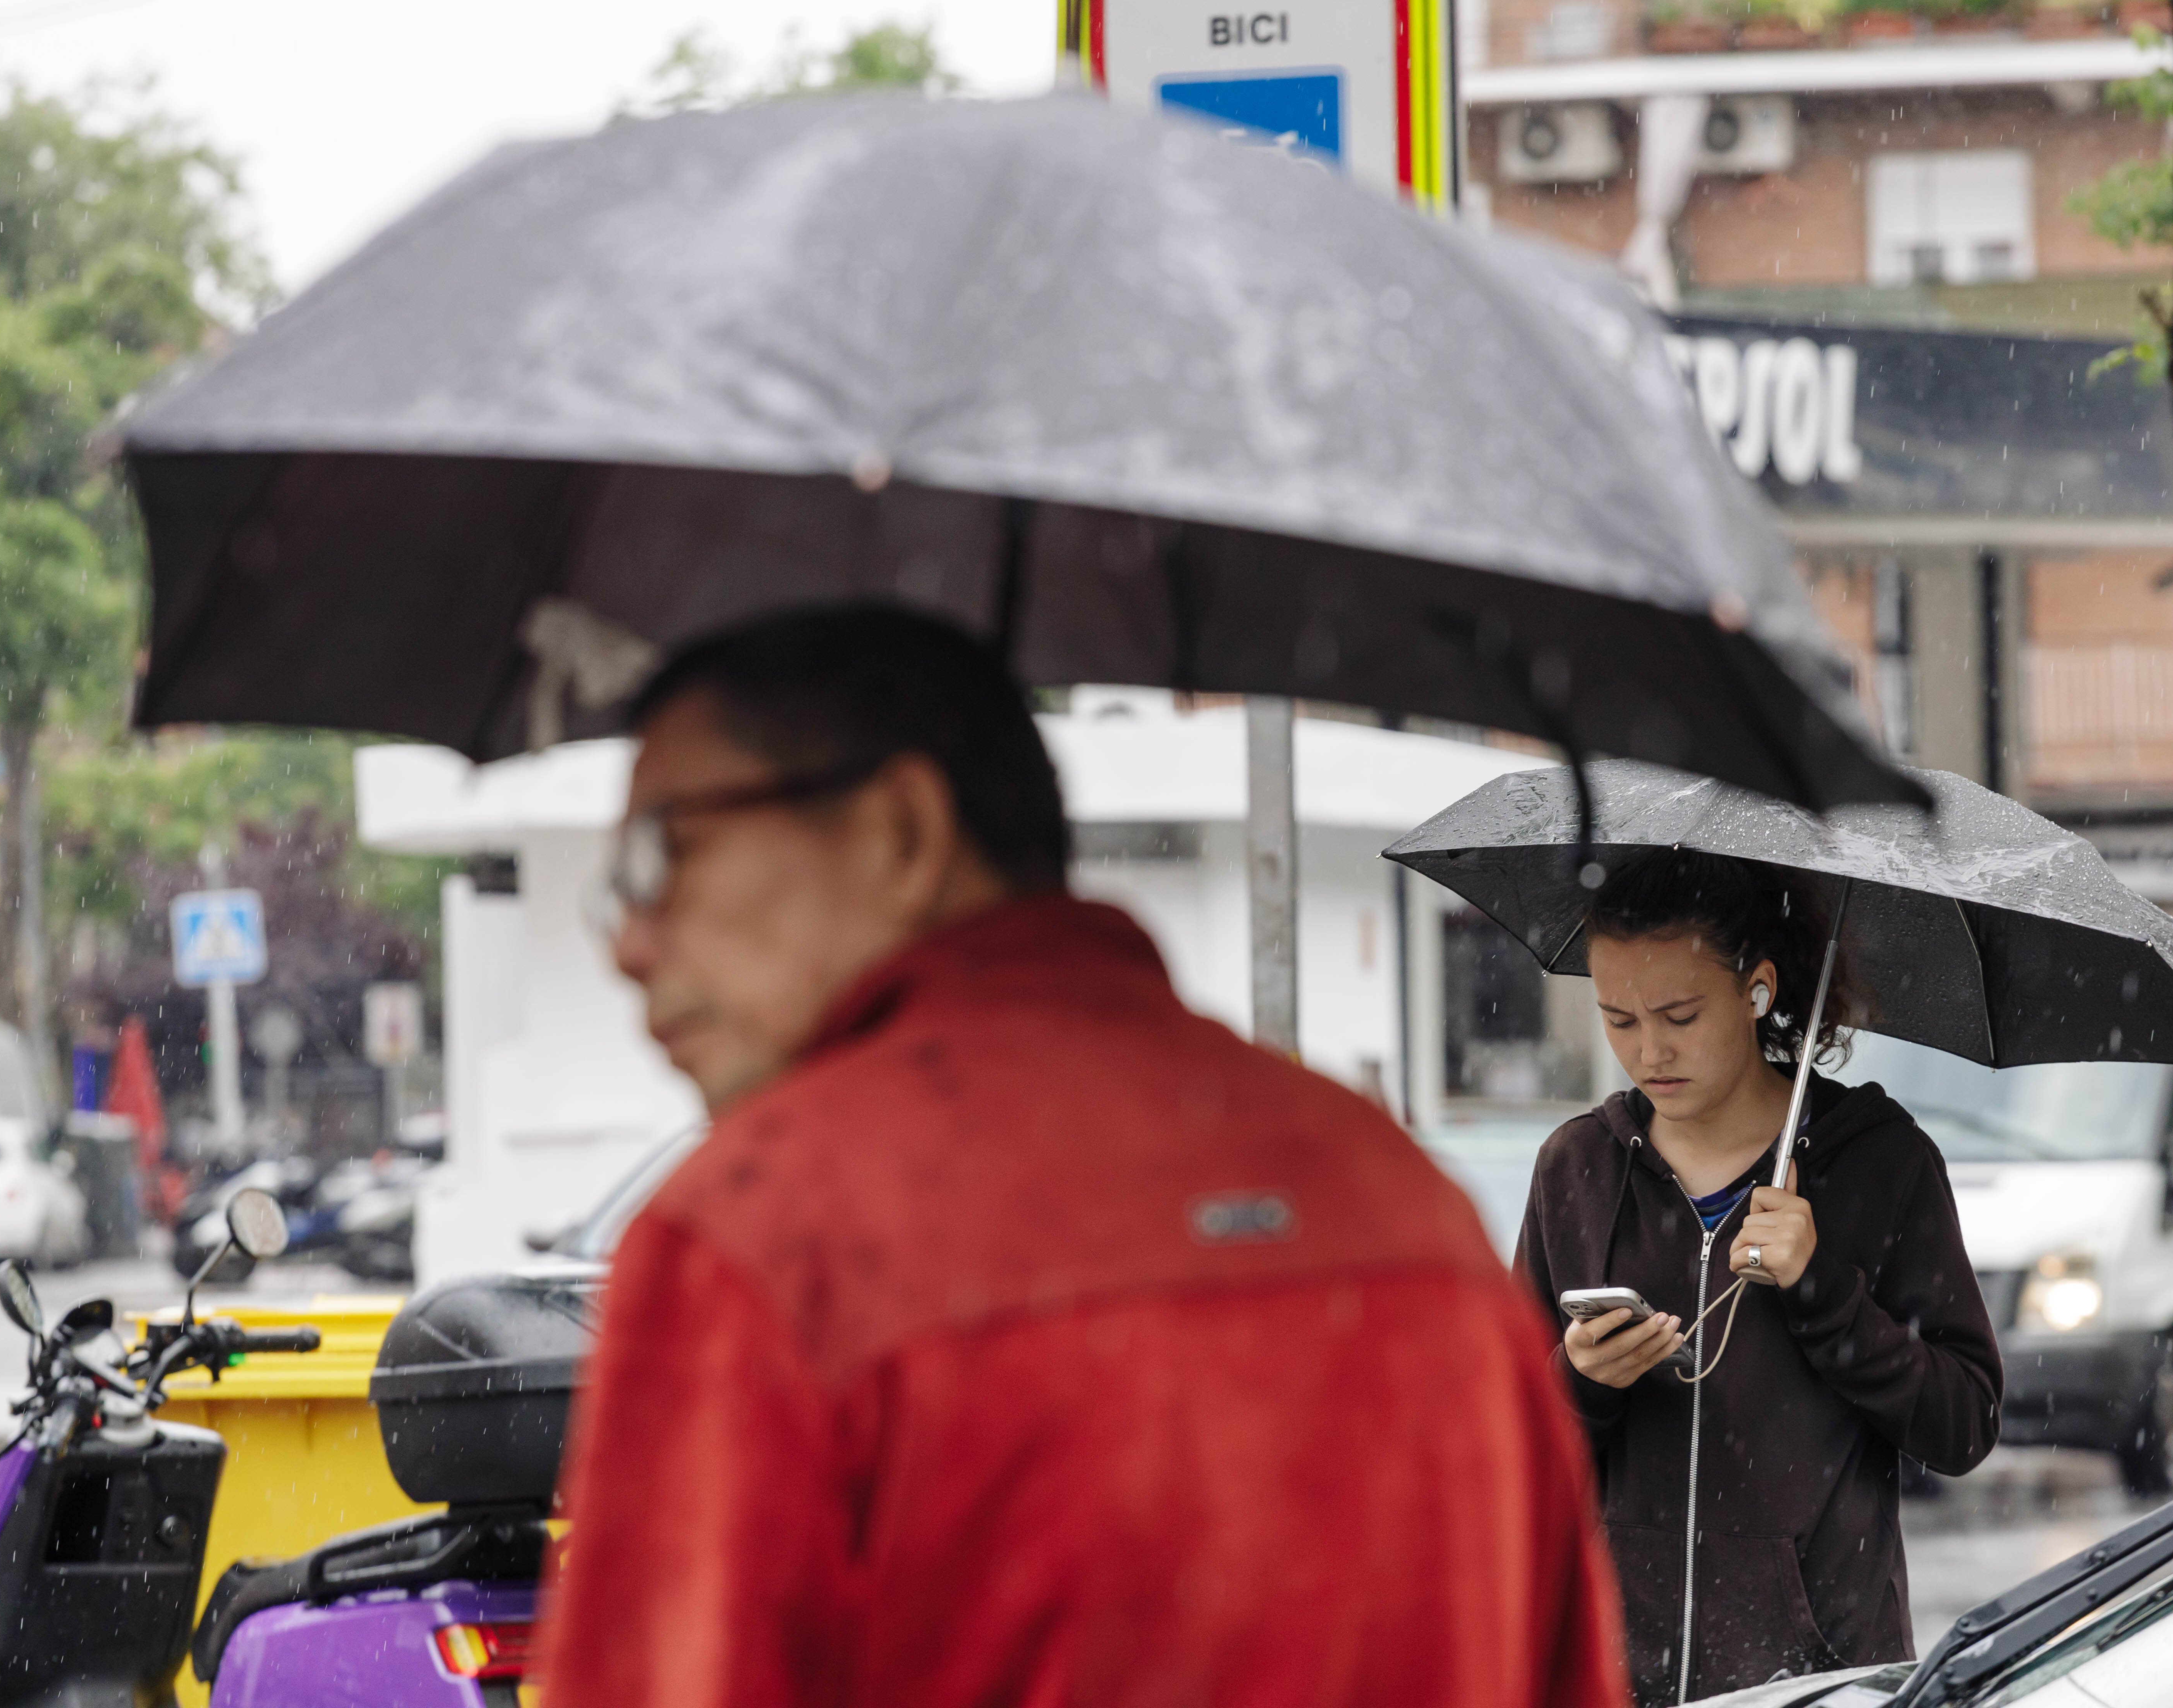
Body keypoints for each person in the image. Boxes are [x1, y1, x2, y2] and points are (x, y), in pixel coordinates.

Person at [537, 604, 1625, 1708]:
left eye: (665, 853)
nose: (629, 943)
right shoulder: (1402, 1198)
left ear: (898, 832)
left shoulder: (764, 1240)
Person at [1516, 852, 2001, 1704]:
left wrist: (1824, 1291)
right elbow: (1505, 1446)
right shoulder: (1578, 1168)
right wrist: (1578, 1382)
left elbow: (1964, 1423)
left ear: (1758, 989)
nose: (1650, 1051)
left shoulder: (1880, 1162)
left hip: (1821, 1678)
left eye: (1680, 1015)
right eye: (1618, 1019)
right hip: (1613, 1673)